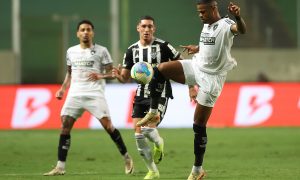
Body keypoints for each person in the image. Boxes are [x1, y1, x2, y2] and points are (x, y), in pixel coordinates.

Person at [136, 1, 246, 180]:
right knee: (160, 69)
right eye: (198, 12)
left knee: (198, 125)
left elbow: (240, 30)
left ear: (213, 9)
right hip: (197, 66)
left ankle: (197, 169)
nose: (200, 15)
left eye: (203, 12)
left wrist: (238, 17)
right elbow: (212, 46)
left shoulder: (226, 25)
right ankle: (154, 112)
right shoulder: (206, 26)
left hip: (212, 79)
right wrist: (198, 48)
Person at [44, 19, 134, 176]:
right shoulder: (71, 51)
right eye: (82, 30)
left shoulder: (102, 51)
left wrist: (100, 75)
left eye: (88, 30)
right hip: (75, 93)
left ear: (93, 32)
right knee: (65, 126)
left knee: (108, 127)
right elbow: (70, 73)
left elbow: (113, 74)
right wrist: (62, 89)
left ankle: (126, 157)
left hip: (94, 93)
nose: (85, 32)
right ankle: (60, 166)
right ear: (77, 33)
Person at [112, 15, 181, 179]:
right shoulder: (131, 50)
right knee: (138, 134)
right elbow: (124, 78)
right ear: (138, 28)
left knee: (149, 129)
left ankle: (159, 143)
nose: (147, 30)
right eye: (144, 26)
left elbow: (181, 64)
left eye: (150, 27)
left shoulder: (164, 46)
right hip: (140, 94)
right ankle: (153, 171)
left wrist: (192, 86)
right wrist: (118, 76)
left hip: (160, 92)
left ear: (154, 29)